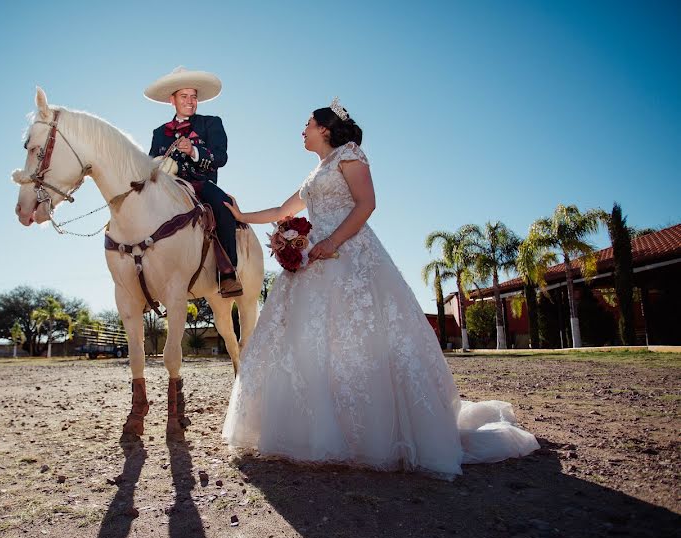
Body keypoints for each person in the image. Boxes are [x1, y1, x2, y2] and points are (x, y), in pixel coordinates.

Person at [221, 98, 539, 478]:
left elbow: (366, 203)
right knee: (307, 341)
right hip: (313, 260)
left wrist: (333, 242)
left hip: (350, 254)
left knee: (355, 335)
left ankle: (371, 434)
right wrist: (241, 216)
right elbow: (281, 212)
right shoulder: (313, 173)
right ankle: (313, 430)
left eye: (306, 123)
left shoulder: (349, 155)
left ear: (325, 128)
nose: (301, 130)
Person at [145, 66, 243, 298]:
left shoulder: (211, 123)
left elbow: (221, 158)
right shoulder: (159, 132)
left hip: (200, 184)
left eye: (194, 97)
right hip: (167, 187)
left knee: (223, 205)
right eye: (184, 96)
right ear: (173, 100)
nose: (190, 101)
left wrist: (194, 151)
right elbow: (150, 163)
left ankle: (228, 273)